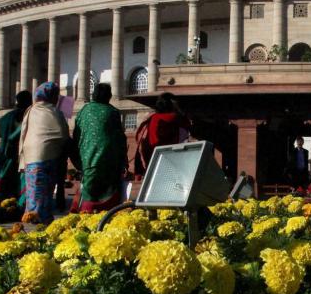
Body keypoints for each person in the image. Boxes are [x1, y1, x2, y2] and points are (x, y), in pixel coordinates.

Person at [18, 82, 71, 224]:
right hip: (49, 157)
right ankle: (41, 220)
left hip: (31, 157)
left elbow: (23, 134)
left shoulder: (31, 110)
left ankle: (33, 217)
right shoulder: (54, 111)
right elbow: (62, 134)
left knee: (34, 191)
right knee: (45, 192)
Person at [72, 83, 128, 213]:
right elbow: (119, 139)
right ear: (109, 96)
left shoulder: (83, 111)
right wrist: (123, 162)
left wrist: (78, 159)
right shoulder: (112, 112)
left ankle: (85, 220)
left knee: (89, 195)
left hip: (88, 160)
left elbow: (76, 136)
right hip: (108, 163)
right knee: (108, 197)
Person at [133, 92, 191, 178]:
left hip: (150, 162)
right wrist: (180, 111)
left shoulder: (151, 118)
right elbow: (187, 129)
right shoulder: (175, 118)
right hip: (170, 163)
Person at [0, 91, 32, 202]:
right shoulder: (25, 116)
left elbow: (2, 136)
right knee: (19, 188)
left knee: (4, 189)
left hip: (4, 155)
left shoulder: (4, 118)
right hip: (18, 157)